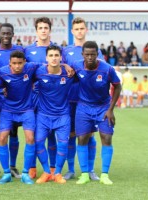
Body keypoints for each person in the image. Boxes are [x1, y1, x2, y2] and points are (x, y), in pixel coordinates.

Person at [73, 41, 121, 185]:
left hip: (103, 107)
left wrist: (111, 109)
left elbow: (117, 87)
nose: (90, 57)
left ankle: (105, 175)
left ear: (97, 54)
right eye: (87, 54)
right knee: (81, 139)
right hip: (83, 107)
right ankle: (85, 174)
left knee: (106, 138)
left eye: (93, 54)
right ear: (82, 55)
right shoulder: (76, 66)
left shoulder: (107, 69)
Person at [62, 17, 104, 181]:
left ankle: (90, 169)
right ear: (72, 32)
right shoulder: (66, 51)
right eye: (76, 29)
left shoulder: (95, 50)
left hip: (89, 100)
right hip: (71, 98)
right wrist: (65, 66)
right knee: (71, 134)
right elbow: (60, 67)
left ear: (86, 30)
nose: (79, 31)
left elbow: (101, 72)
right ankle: (71, 169)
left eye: (82, 28)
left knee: (90, 135)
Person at [0, 23, 24, 179]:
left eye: (9, 33)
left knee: (13, 133)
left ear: (13, 34)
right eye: (3, 33)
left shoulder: (20, 51)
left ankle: (13, 166)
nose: (6, 35)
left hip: (14, 99)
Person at [35, 45, 75, 184]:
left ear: (61, 57)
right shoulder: (39, 71)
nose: (53, 58)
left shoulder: (69, 73)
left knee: (63, 145)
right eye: (51, 55)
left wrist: (66, 65)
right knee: (38, 142)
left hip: (62, 115)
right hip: (43, 115)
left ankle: (57, 173)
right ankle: (46, 171)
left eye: (56, 55)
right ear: (46, 58)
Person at [0, 50, 36, 185]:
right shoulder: (2, 71)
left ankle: (25, 173)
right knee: (2, 138)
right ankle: (6, 173)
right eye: (14, 63)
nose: (17, 66)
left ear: (24, 62)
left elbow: (48, 66)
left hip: (26, 109)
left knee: (30, 138)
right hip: (8, 109)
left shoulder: (30, 68)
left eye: (20, 63)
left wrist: (65, 66)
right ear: (9, 63)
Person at [24, 16, 57, 179]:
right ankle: (31, 167)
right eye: (40, 28)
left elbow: (60, 68)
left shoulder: (57, 50)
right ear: (36, 31)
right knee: (32, 132)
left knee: (51, 133)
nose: (43, 30)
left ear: (50, 30)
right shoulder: (28, 51)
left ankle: (52, 168)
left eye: (46, 28)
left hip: (50, 97)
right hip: (32, 96)